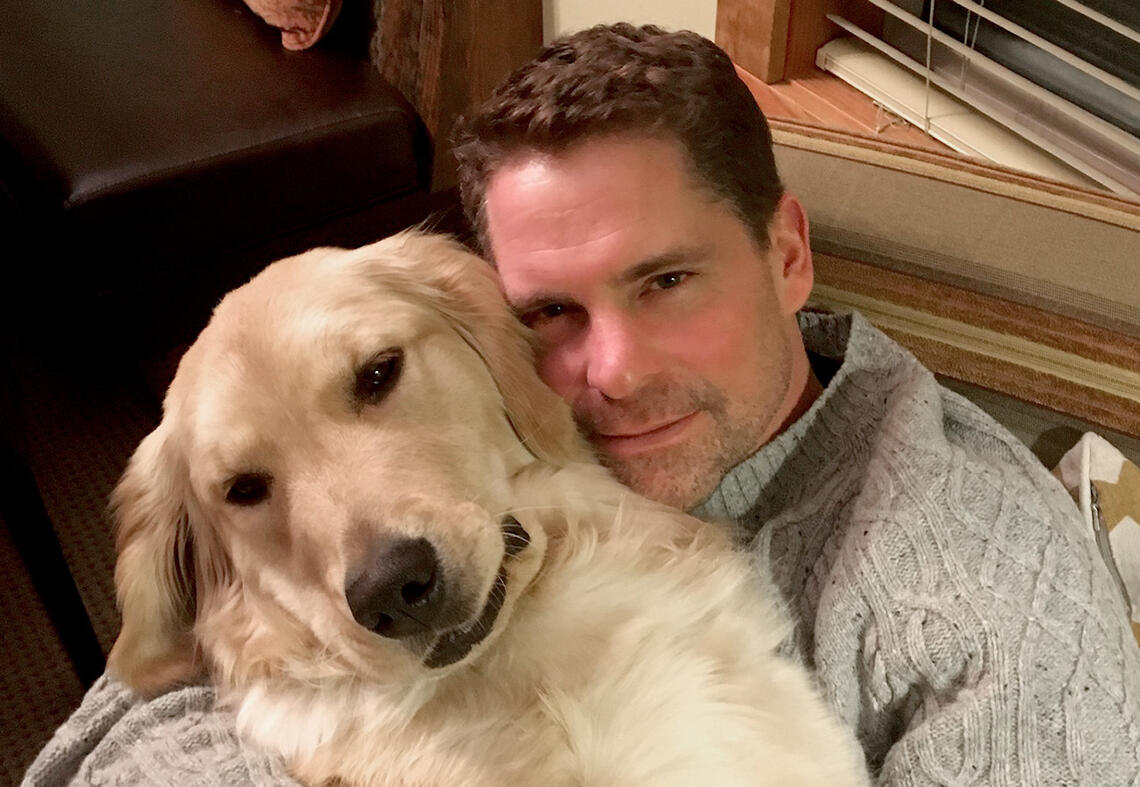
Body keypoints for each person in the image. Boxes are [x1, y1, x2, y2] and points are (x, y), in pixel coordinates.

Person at [25, 23, 1140, 786]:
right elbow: (125, 724)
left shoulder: (984, 608)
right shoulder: (521, 415)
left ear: (787, 254)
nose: (608, 372)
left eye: (666, 281)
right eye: (551, 310)